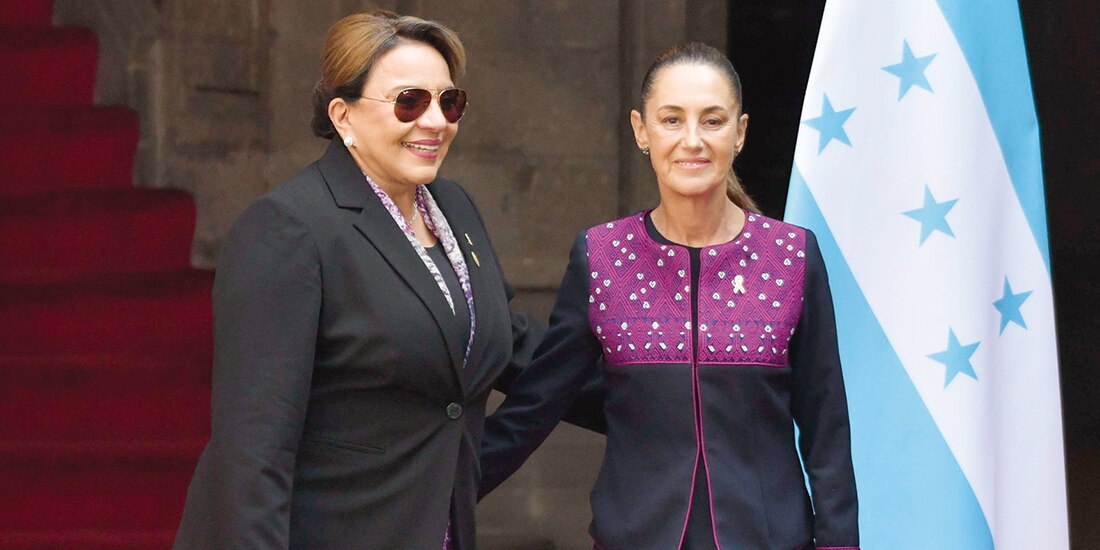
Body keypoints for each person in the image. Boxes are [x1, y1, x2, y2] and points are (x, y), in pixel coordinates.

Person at [173, 10, 542, 549]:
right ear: (342, 116)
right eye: (409, 101)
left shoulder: (454, 207)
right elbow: (253, 458)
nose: (436, 121)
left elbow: (504, 342)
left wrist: (670, 382)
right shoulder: (288, 229)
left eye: (450, 101)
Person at [479, 42, 859, 549]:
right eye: (672, 120)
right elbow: (538, 403)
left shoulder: (790, 255)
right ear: (642, 130)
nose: (693, 141)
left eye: (713, 120)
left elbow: (825, 428)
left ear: (740, 132)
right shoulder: (602, 255)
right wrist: (436, 492)